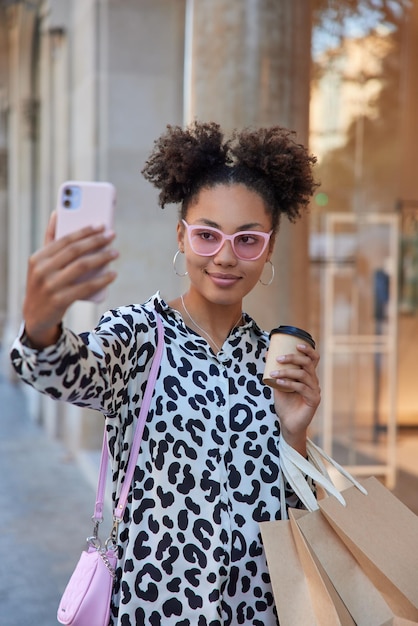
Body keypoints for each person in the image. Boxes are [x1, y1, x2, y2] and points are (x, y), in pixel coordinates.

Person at [10, 121, 320, 626]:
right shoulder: (138, 335)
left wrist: (296, 431)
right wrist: (42, 324)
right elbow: (68, 370)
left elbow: (296, 518)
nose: (224, 256)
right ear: (182, 235)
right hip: (155, 608)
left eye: (247, 239)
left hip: (258, 610)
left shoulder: (271, 357)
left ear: (269, 246)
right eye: (206, 235)